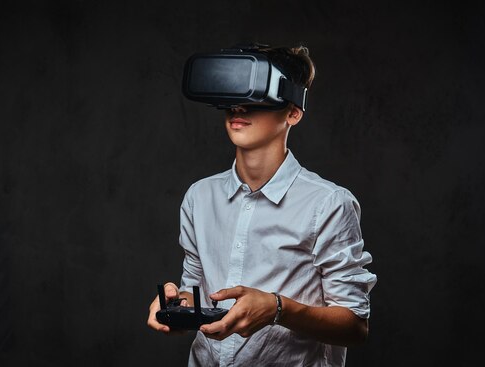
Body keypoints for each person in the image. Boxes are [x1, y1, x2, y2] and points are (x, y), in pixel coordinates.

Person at [147, 44, 377, 367]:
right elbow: (195, 291)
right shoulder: (199, 198)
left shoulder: (329, 205)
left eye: (256, 97)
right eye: (233, 96)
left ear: (293, 112)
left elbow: (355, 325)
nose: (239, 107)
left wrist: (277, 308)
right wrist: (176, 304)